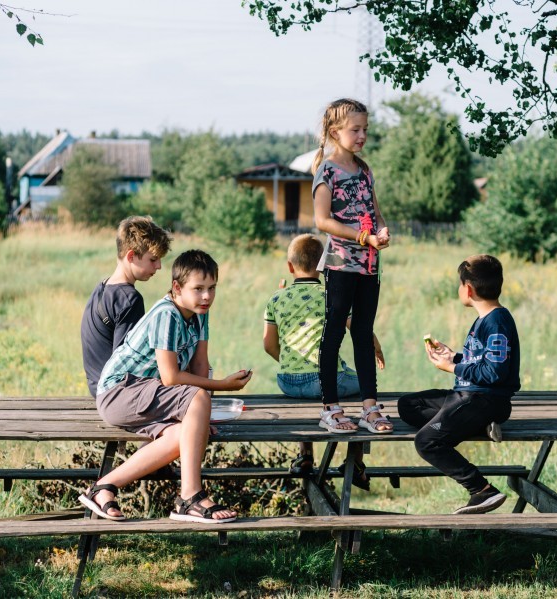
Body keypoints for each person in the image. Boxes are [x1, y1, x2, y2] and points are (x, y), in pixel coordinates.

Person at [80, 250, 253, 524]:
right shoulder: (167, 314)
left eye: (211, 288)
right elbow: (171, 377)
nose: (206, 296)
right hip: (120, 392)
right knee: (196, 397)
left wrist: (200, 417)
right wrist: (223, 386)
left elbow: (198, 367)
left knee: (183, 435)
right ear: (177, 287)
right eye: (198, 289)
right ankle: (190, 497)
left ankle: (103, 487)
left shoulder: (200, 313)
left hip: (146, 394)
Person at [397, 255, 520, 514]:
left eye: (459, 284)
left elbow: (495, 373)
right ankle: (478, 424)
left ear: (468, 289)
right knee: (408, 405)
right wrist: (454, 356)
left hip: (485, 400)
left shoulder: (497, 322)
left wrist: (452, 368)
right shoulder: (485, 319)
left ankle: (481, 489)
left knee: (426, 442)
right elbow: (482, 362)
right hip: (469, 395)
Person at [262, 233, 385, 480]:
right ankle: (356, 462)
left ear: (289, 266)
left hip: (288, 383)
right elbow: (360, 328)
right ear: (325, 265)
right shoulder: (333, 297)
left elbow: (268, 345)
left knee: (318, 400)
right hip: (330, 382)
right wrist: (377, 348)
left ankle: (305, 455)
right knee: (366, 390)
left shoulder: (276, 298)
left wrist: (292, 365)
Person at [311, 98, 392, 438]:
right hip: (341, 265)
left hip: (369, 266)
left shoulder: (364, 169)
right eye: (355, 130)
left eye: (365, 130)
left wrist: (382, 231)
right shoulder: (327, 171)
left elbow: (375, 210)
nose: (362, 136)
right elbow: (322, 221)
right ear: (335, 132)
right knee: (335, 331)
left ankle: (369, 408)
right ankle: (330, 408)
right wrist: (363, 236)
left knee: (363, 332)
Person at [80, 216, 172, 398]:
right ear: (131, 256)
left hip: (95, 385)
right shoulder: (129, 300)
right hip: (114, 393)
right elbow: (129, 364)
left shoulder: (103, 287)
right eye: (153, 259)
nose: (159, 266)